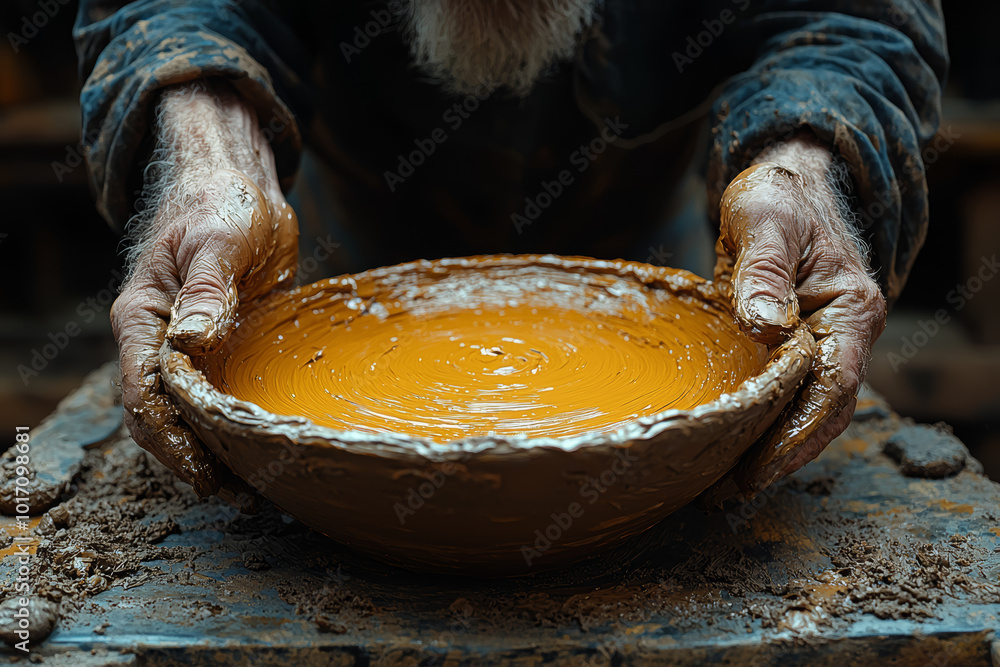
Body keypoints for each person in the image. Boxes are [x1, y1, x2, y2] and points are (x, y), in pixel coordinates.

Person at [73, 1, 947, 508]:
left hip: (675, 258)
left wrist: (803, 165)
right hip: (313, 264)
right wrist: (210, 151)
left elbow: (846, 15)